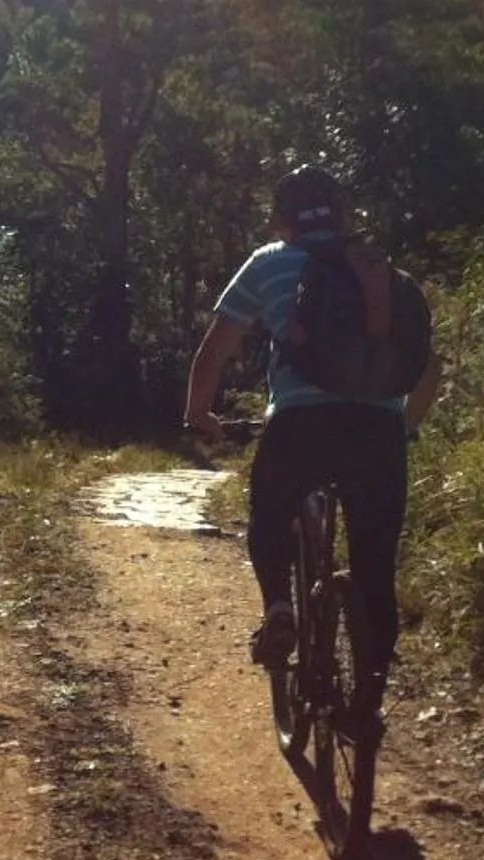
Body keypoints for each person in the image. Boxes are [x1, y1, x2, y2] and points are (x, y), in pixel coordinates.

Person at [183, 164, 438, 726]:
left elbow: (217, 348)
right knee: (375, 570)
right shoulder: (380, 272)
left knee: (270, 513)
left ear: (281, 222)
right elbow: (426, 370)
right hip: (376, 434)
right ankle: (366, 703)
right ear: (343, 216)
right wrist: (405, 428)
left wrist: (199, 411)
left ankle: (279, 609)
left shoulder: (270, 264)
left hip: (299, 426)